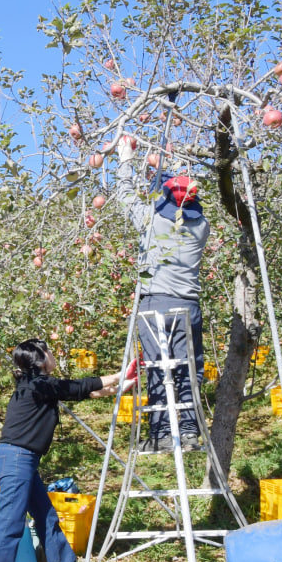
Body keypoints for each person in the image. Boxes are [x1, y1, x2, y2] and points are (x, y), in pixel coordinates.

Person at [0, 339, 124, 562]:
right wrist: (119, 374)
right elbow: (75, 386)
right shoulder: (39, 384)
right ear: (40, 358)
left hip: (20, 461)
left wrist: (119, 386)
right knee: (10, 521)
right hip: (17, 460)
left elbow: (80, 392)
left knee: (45, 515)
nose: (53, 354)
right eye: (49, 351)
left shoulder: (36, 385)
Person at [115, 135, 211, 453]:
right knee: (188, 368)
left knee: (158, 366)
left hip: (155, 303)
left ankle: (161, 435)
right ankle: (188, 432)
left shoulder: (151, 220)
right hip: (189, 305)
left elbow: (125, 195)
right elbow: (176, 195)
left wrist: (127, 158)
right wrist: (162, 169)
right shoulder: (202, 226)